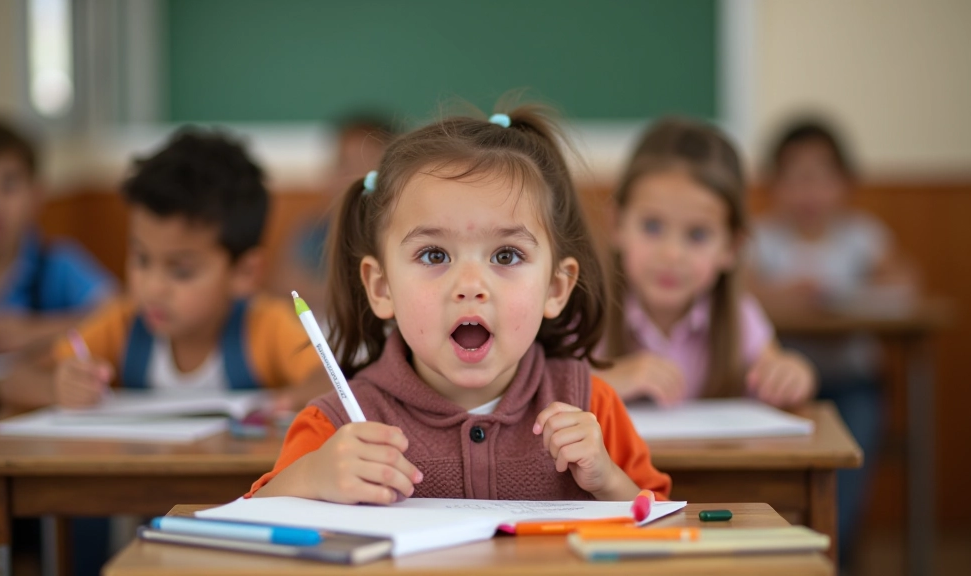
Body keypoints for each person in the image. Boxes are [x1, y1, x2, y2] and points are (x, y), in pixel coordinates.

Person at [249, 104, 671, 504]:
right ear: (381, 288)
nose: (470, 285)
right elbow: (248, 525)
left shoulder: (592, 405)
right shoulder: (335, 424)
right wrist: (313, 478)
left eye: (506, 256)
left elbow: (664, 525)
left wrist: (608, 481)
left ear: (556, 289)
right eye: (435, 255)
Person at [3, 127, 326, 409]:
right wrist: (57, 387)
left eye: (181, 271)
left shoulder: (264, 326)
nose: (152, 287)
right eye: (142, 260)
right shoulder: (122, 323)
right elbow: (16, 378)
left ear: (244, 273)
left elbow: (329, 382)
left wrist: (297, 398)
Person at [747, 119, 916, 564]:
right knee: (779, 493)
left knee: (843, 496)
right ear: (774, 184)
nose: (809, 192)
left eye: (821, 177)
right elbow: (738, 296)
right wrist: (786, 295)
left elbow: (904, 285)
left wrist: (853, 295)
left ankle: (829, 559)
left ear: (844, 183)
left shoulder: (862, 235)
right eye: (796, 178)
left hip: (854, 382)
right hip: (780, 388)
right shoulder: (762, 238)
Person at [597, 117, 815, 408]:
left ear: (731, 246)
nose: (672, 254)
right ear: (616, 225)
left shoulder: (740, 317)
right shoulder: (587, 314)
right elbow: (542, 393)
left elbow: (780, 371)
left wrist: (793, 375)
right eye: (651, 226)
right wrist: (605, 382)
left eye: (697, 235)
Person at [0, 118, 114, 354]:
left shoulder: (58, 264)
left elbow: (120, 315)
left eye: (8, 185)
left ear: (37, 195)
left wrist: (37, 331)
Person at [272, 114, 398, 312]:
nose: (346, 178)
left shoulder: (396, 228)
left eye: (361, 165)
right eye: (341, 165)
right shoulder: (315, 226)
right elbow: (285, 285)